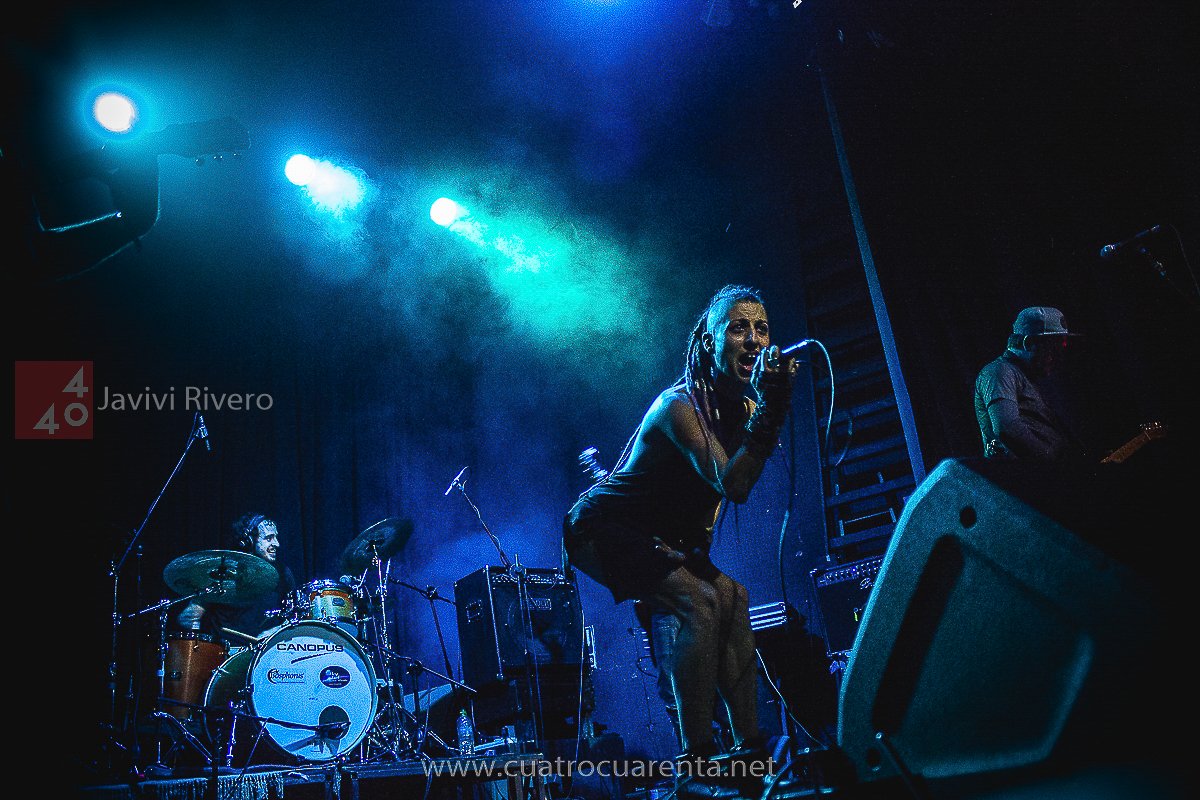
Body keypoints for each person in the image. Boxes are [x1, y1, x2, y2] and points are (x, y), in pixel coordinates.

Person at [563, 284, 798, 796]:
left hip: (658, 534)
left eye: (762, 328)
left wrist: (767, 413)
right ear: (709, 342)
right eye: (738, 328)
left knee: (733, 595)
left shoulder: (749, 409)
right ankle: (696, 764)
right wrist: (771, 416)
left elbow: (721, 496)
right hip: (601, 525)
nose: (754, 340)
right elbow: (733, 484)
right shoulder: (679, 406)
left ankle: (750, 750)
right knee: (699, 604)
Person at [974, 306, 1089, 463]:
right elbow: (1007, 428)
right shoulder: (999, 371)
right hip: (1026, 482)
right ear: (1029, 343)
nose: (1058, 358)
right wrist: (1057, 463)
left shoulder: (1024, 376)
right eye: (1053, 349)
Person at [177, 513, 298, 645]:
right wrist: (193, 618)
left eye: (276, 537)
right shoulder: (223, 572)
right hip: (226, 654)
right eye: (269, 538)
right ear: (249, 541)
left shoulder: (283, 573)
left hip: (266, 653)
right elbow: (190, 617)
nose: (277, 544)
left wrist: (274, 633)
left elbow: (295, 617)